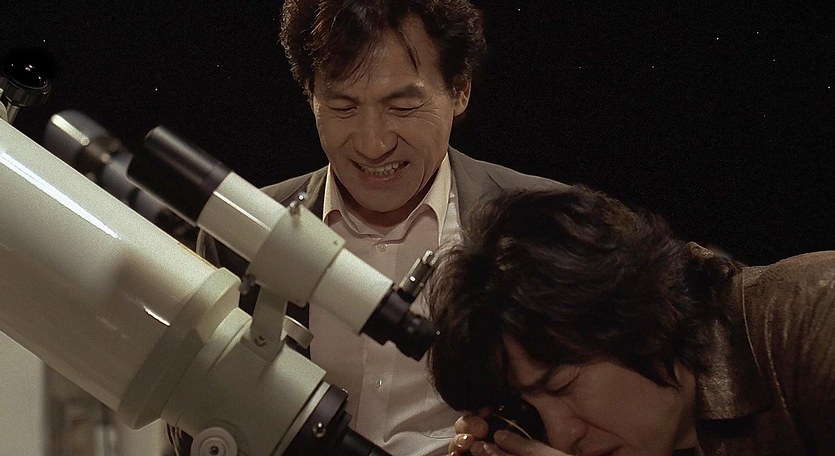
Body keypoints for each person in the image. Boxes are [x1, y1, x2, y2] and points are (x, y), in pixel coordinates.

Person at [167, 1, 565, 455]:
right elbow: (192, 422)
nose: (373, 144)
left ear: (460, 91)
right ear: (310, 95)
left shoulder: (545, 224)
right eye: (343, 106)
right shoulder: (239, 232)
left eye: (403, 105)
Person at [427, 187, 835, 456]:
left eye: (562, 386)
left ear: (636, 317)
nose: (565, 437)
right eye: (530, 410)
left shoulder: (816, 318)